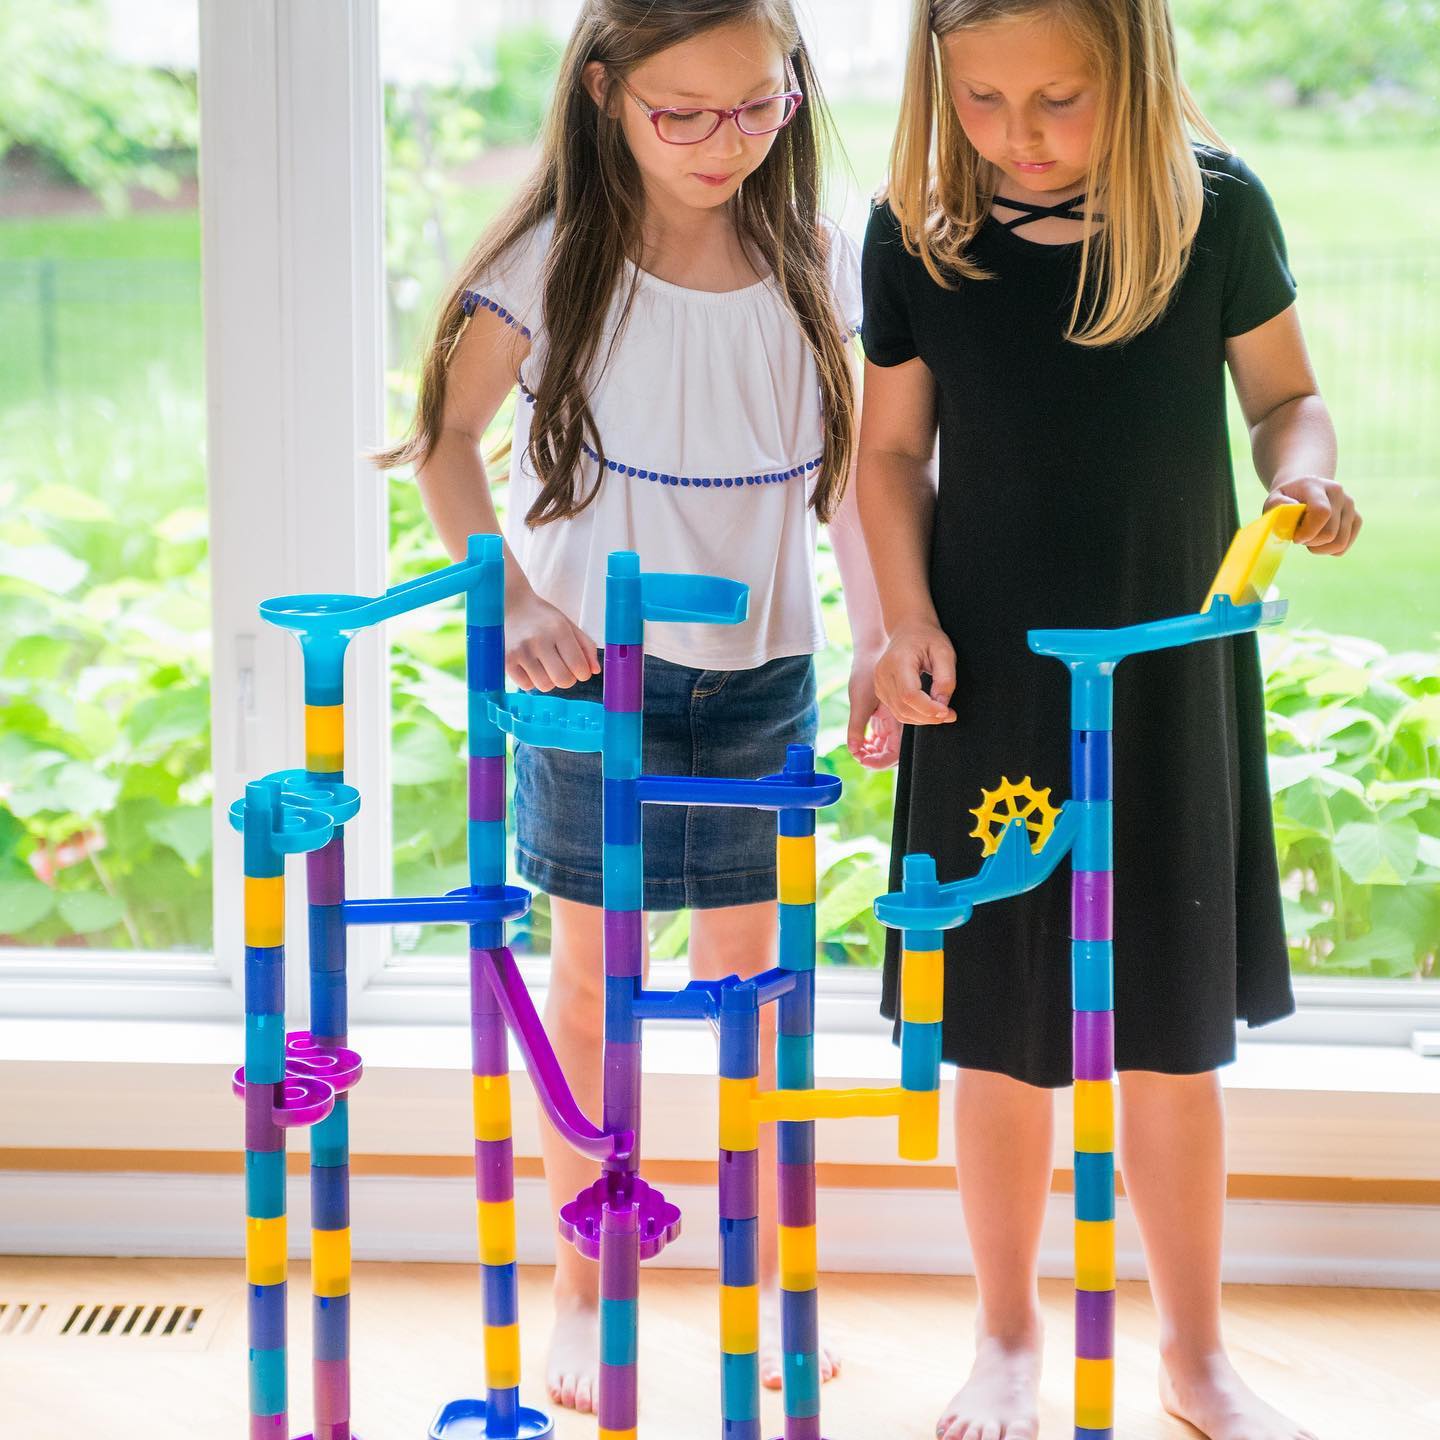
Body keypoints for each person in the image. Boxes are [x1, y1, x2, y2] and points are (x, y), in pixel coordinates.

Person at [378, 0, 898, 1414]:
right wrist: (519, 607)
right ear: (605, 95)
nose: (729, 143)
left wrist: (880, 636)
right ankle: (584, 1285)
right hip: (588, 684)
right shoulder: (552, 264)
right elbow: (445, 451)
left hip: (762, 679)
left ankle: (763, 1282)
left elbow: (854, 482)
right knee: (594, 987)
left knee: (755, 996)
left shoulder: (819, 263)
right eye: (687, 115)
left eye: (762, 104)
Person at [855, 2, 1359, 1437]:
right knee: (1000, 1039)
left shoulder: (1217, 214)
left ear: (1134, 72)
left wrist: (1302, 477)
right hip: (988, 687)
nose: (1018, 137)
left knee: (1170, 1040)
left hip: (1165, 680)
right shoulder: (919, 237)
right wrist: (902, 620)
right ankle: (1006, 1333)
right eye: (985, 103)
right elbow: (893, 452)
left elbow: (1289, 400)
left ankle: (1196, 1354)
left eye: (1059, 100)